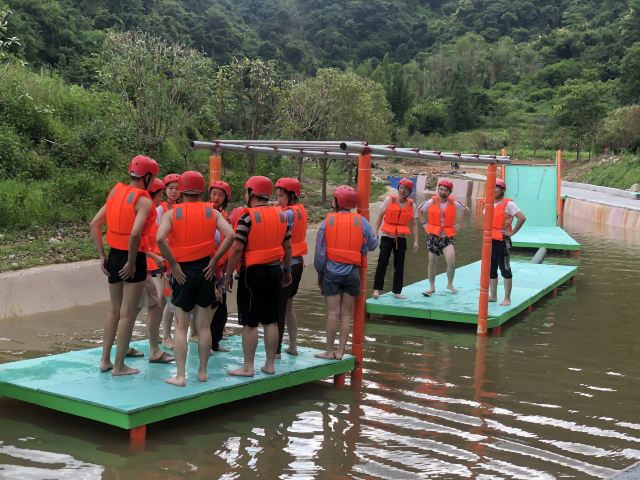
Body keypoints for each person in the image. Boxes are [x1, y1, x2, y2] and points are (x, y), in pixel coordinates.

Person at [156, 171, 235, 386]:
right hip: (206, 271)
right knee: (203, 327)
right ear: (202, 191)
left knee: (181, 327)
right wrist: (215, 260)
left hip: (182, 272)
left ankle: (181, 376)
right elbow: (231, 235)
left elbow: (160, 239)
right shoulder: (213, 212)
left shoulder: (172, 214)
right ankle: (202, 372)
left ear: (182, 190)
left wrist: (173, 264)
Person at [89, 155, 159, 375]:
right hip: (132, 258)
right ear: (147, 176)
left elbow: (95, 224)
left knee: (114, 311)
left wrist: (102, 256)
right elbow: (135, 233)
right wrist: (130, 261)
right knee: (127, 314)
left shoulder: (115, 192)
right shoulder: (144, 201)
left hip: (112, 255)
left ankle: (105, 361)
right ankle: (119, 366)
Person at [225, 176, 292, 377]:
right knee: (271, 320)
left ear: (251, 193)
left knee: (250, 322)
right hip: (275, 271)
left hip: (252, 275)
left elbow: (237, 248)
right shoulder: (281, 215)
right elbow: (288, 247)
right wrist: (287, 270)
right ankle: (270, 365)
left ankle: (248, 367)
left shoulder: (247, 217)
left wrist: (228, 274)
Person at [314, 186, 378, 360]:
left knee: (333, 313)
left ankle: (329, 351)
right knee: (346, 314)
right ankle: (341, 352)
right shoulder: (361, 221)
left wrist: (320, 274)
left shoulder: (327, 222)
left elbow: (320, 254)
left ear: (337, 201)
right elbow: (373, 245)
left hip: (331, 274)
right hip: (352, 274)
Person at [139, 177, 175, 364]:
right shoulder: (153, 210)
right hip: (148, 263)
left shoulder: (155, 209)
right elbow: (137, 238)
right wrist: (154, 256)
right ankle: (158, 344)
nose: (172, 192)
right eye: (163, 192)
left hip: (154, 262)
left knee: (137, 307)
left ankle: (156, 341)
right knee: (158, 302)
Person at [419, 178, 470, 296]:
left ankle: (450, 284)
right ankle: (431, 287)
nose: (442, 192)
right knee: (432, 263)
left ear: (449, 192)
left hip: (447, 236)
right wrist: (424, 223)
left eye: (446, 190)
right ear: (438, 190)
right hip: (433, 236)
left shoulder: (454, 203)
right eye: (441, 189)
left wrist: (459, 224)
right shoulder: (430, 202)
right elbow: (419, 210)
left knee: (451, 262)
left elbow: (467, 210)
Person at [274, 177, 307, 357]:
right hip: (298, 264)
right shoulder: (300, 210)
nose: (278, 199)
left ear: (292, 196)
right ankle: (292, 346)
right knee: (288, 307)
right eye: (277, 196)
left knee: (279, 308)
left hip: (285, 266)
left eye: (281, 196)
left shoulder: (286, 214)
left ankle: (276, 350)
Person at [372, 178, 419, 300]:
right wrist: (375, 232)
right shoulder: (389, 200)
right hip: (387, 235)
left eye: (406, 189)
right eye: (401, 188)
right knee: (382, 262)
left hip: (401, 238)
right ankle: (376, 289)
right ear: (398, 188)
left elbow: (414, 224)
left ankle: (397, 291)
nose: (402, 191)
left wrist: (416, 241)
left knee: (399, 265)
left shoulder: (412, 205)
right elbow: (380, 217)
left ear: (409, 192)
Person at [489, 178, 526, 306]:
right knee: (491, 269)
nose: (493, 190)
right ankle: (493, 296)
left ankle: (507, 298)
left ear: (502, 190)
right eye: (491, 187)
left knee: (505, 269)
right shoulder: (489, 203)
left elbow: (522, 218)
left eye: (496, 187)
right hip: (490, 241)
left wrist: (512, 232)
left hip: (502, 242)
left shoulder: (508, 204)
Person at [208, 179, 232, 353]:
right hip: (209, 266)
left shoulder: (224, 215)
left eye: (220, 195)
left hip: (221, 267)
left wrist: (228, 271)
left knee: (221, 308)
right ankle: (207, 343)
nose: (216, 198)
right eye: (213, 194)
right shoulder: (205, 212)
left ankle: (214, 343)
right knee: (209, 307)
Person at [160, 173, 181, 348]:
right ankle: (166, 336)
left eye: (177, 188)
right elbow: (156, 236)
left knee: (171, 299)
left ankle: (170, 334)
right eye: (170, 188)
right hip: (164, 261)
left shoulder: (181, 209)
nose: (174, 191)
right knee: (169, 298)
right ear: (165, 190)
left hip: (178, 258)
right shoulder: (160, 210)